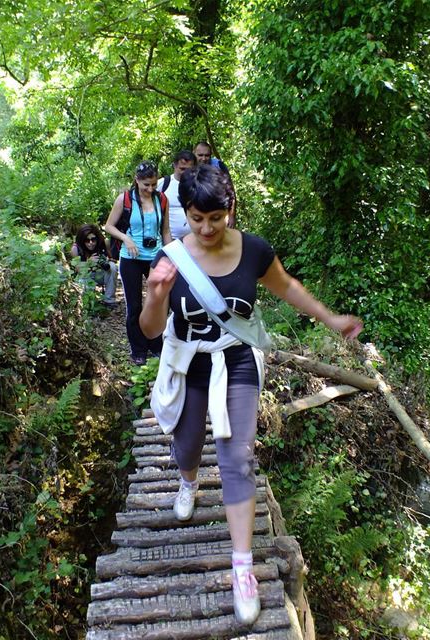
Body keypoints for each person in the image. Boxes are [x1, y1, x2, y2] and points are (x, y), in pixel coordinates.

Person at [139, 164, 363, 625]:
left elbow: (288, 288)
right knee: (186, 447)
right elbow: (149, 331)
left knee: (237, 457)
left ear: (230, 209)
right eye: (197, 218)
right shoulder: (171, 257)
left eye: (215, 219)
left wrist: (331, 318)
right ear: (187, 212)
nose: (205, 229)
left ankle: (242, 568)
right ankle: (187, 481)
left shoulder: (254, 250)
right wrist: (156, 294)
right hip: (188, 361)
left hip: (236, 360)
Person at [105, 161, 172, 365]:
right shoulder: (125, 199)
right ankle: (138, 350)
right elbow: (109, 226)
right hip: (131, 258)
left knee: (159, 304)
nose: (150, 189)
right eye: (146, 185)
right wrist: (126, 239)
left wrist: (170, 255)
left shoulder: (162, 199)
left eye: (153, 185)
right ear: (137, 181)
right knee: (134, 306)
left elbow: (166, 231)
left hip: (155, 257)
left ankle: (156, 345)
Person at [71, 224, 118, 309]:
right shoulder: (76, 249)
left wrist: (108, 260)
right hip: (86, 276)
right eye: (87, 240)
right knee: (82, 279)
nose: (91, 243)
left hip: (100, 274)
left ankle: (109, 300)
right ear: (82, 240)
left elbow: (112, 259)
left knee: (113, 266)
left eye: (93, 239)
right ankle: (88, 303)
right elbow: (77, 270)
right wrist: (89, 263)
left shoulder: (104, 243)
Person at [193, 140, 236, 228]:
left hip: (218, 213)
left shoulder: (218, 165)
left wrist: (231, 215)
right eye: (200, 155)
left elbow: (230, 191)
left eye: (207, 155)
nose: (204, 158)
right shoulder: (189, 167)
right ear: (194, 154)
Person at [158, 149, 197, 240]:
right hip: (170, 240)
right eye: (182, 169)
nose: (185, 172)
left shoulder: (198, 185)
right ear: (174, 166)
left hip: (195, 240)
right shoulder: (164, 183)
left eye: (189, 169)